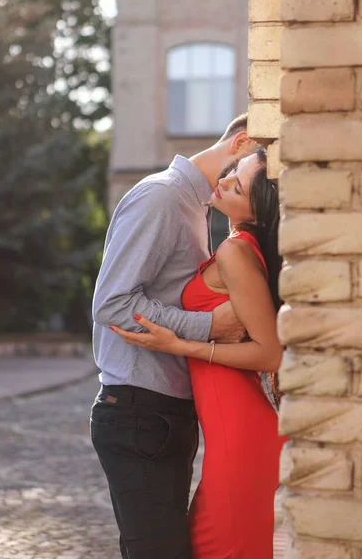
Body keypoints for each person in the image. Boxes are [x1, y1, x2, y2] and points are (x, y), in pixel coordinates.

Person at [91, 114, 258, 559]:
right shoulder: (162, 197)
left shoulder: (197, 206)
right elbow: (111, 304)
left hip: (163, 412)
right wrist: (209, 328)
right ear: (241, 144)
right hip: (138, 409)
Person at [111, 147, 288, 559]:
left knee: (220, 547)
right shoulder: (236, 246)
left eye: (237, 185)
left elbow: (270, 354)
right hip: (235, 429)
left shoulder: (235, 251)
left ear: (258, 212)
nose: (223, 181)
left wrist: (181, 345)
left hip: (240, 434)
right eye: (230, 172)